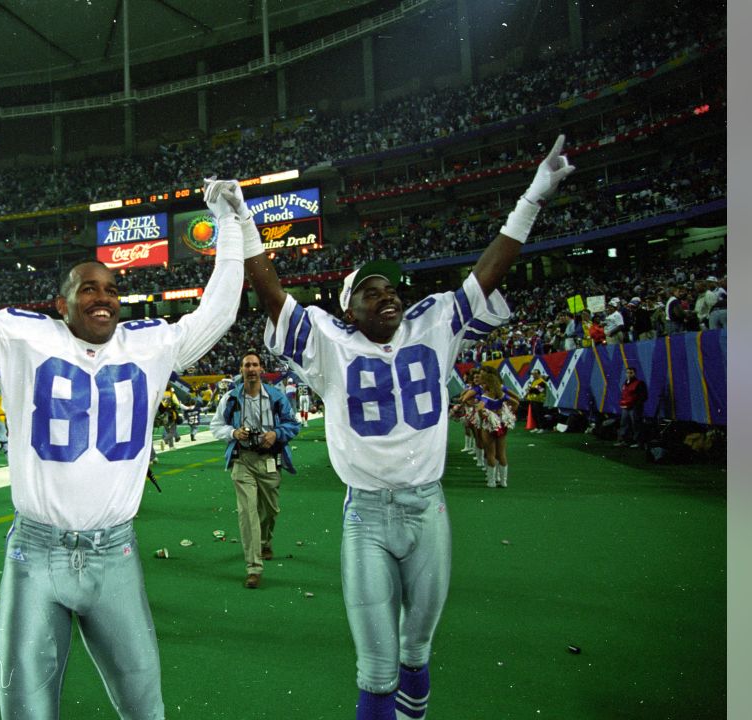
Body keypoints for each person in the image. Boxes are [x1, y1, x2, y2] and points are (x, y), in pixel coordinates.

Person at [0, 21, 249, 713]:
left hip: (117, 554)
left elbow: (215, 315)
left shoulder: (147, 346)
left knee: (145, 706)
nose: (102, 296)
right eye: (86, 287)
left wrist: (236, 231)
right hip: (37, 554)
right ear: (59, 302)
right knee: (26, 710)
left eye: (111, 288)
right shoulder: (24, 339)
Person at [243, 134, 573, 719]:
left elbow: (487, 273)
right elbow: (272, 296)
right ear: (350, 309)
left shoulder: (433, 324)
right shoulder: (330, 345)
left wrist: (534, 196)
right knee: (376, 668)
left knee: (417, 652)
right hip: (366, 515)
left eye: (391, 287)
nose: (387, 294)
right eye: (371, 291)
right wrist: (245, 224)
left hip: (428, 509)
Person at [209, 351, 301, 588]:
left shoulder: (276, 396)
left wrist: (275, 434)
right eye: (246, 365)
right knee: (247, 513)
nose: (251, 369)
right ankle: (253, 567)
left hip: (269, 459)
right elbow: (217, 425)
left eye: (255, 365)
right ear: (241, 370)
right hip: (243, 460)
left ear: (261, 369)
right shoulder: (230, 398)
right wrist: (233, 433)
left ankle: (265, 542)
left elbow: (292, 425)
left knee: (270, 510)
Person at [615, 366, 649, 448]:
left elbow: (644, 396)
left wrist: (636, 405)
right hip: (625, 407)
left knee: (636, 425)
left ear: (635, 373)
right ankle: (624, 441)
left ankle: (638, 443)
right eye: (627, 372)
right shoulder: (625, 383)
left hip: (634, 408)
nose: (629, 374)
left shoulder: (639, 383)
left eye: (631, 373)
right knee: (624, 424)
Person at [524, 368, 548, 433]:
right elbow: (532, 389)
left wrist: (531, 389)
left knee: (539, 414)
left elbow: (538, 391)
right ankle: (537, 427)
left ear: (539, 374)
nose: (534, 375)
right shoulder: (534, 381)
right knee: (534, 415)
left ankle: (542, 428)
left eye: (535, 374)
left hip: (539, 401)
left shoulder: (542, 381)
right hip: (532, 400)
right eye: (533, 374)